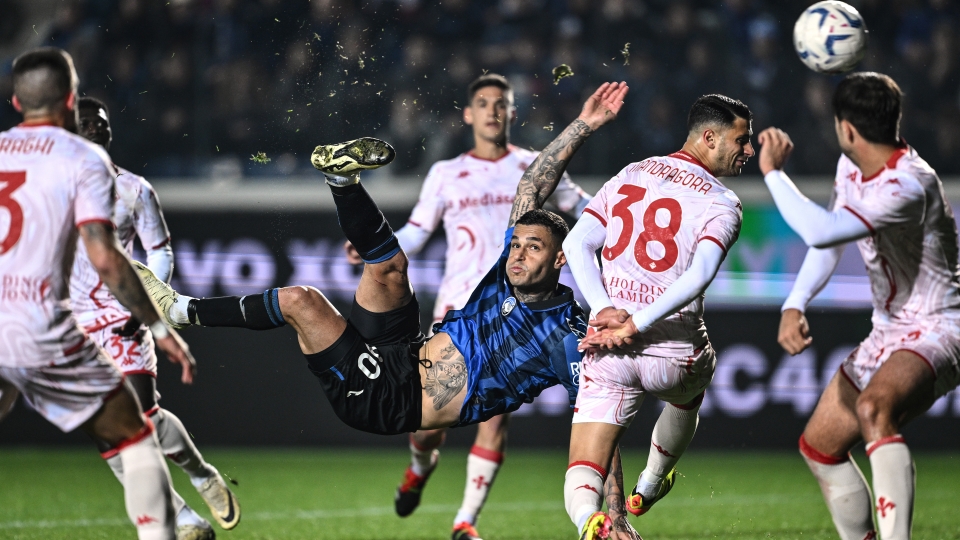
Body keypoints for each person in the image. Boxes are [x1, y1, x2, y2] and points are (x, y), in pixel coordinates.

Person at [139, 82, 640, 539]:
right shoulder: (502, 271)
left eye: (532, 248)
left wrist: (613, 512)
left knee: (300, 301)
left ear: (560, 259)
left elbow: (602, 421)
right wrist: (585, 124)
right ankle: (342, 181)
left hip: (387, 398)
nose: (516, 254)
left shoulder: (566, 335)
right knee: (390, 268)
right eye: (516, 244)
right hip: (404, 348)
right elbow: (531, 182)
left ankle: (181, 310)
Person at [345, 73, 591, 540]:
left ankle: (465, 522)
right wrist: (376, 247)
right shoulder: (446, 173)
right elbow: (417, 232)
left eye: (502, 103)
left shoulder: (533, 167)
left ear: (512, 113)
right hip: (460, 309)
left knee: (495, 419)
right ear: (469, 114)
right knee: (426, 426)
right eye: (483, 103)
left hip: (514, 312)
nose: (493, 111)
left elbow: (586, 206)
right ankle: (420, 465)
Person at [0, 47, 196, 540]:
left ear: (16, 103)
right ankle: (168, 531)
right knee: (134, 436)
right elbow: (107, 257)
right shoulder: (83, 159)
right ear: (69, 100)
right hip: (44, 325)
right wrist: (156, 324)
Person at [760, 72, 960, 540]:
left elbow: (821, 231)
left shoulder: (909, 184)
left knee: (874, 408)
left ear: (846, 128)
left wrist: (773, 173)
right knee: (820, 449)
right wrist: (796, 301)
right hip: (888, 329)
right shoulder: (851, 167)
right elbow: (832, 239)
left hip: (939, 325)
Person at [565, 94, 751, 539]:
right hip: (673, 351)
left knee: (583, 468)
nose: (749, 151)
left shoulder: (634, 172)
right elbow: (702, 273)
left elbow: (576, 245)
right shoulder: (722, 202)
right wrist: (638, 322)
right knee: (690, 393)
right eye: (742, 141)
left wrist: (604, 310)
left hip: (609, 348)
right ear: (709, 137)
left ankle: (592, 523)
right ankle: (651, 482)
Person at [72, 96, 240, 539]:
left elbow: (159, 251)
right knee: (106, 436)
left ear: (109, 132)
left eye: (99, 122)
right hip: (72, 324)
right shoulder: (53, 192)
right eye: (82, 122)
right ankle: (184, 518)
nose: (91, 128)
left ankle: (200, 473)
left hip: (121, 315)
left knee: (142, 416)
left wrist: (149, 303)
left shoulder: (134, 190)